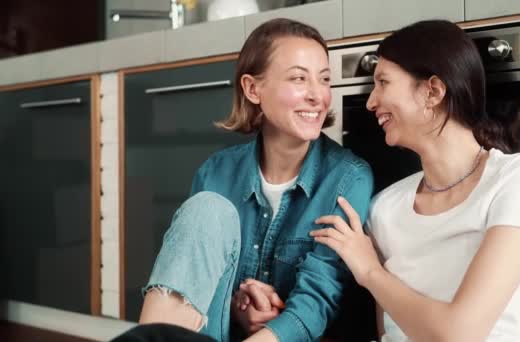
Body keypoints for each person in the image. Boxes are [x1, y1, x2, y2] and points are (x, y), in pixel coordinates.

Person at [310, 20, 520, 342]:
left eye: (383, 82)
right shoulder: (386, 207)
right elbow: (389, 333)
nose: (371, 102)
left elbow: (460, 333)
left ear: (433, 91)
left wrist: (371, 272)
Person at [135, 18, 374, 342]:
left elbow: (317, 300)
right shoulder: (215, 173)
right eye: (298, 78)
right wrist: (237, 305)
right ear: (252, 88)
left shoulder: (348, 179)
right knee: (208, 209)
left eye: (325, 79)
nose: (318, 95)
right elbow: (198, 283)